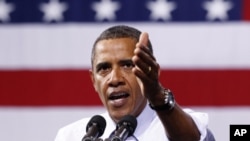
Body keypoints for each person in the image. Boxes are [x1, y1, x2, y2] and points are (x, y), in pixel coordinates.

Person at [55, 25, 215, 141]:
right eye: (104, 68)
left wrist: (157, 95)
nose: (115, 79)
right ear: (93, 81)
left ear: (151, 72)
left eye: (127, 65)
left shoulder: (179, 127)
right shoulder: (71, 136)